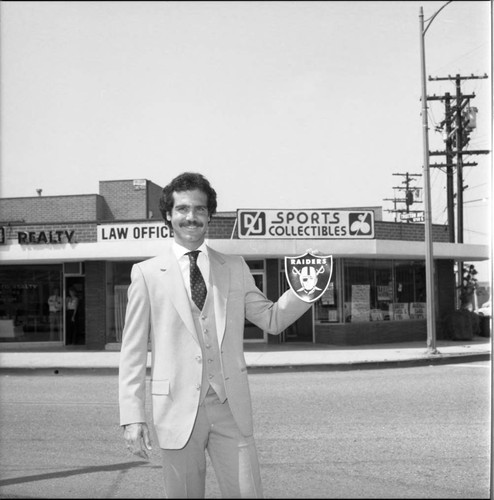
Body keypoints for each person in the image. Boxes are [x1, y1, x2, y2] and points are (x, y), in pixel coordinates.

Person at [119, 172, 313, 498]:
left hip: (230, 409)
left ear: (210, 214)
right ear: (168, 214)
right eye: (182, 209)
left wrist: (305, 292)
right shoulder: (147, 274)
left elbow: (271, 319)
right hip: (176, 409)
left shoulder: (234, 267)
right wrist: (132, 417)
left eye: (199, 209)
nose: (191, 217)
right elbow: (133, 352)